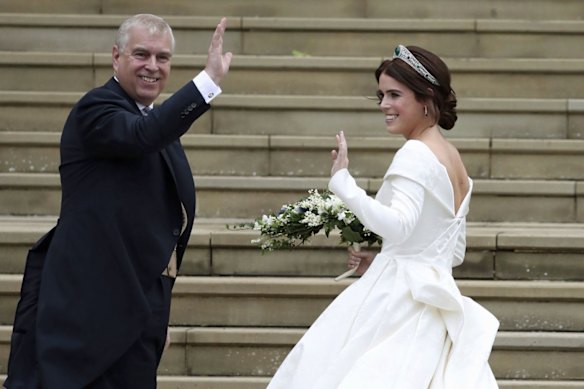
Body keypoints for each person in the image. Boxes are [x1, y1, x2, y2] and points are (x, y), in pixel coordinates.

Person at [4, 13, 232, 389]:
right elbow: (142, 136)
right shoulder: (97, 109)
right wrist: (206, 83)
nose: (153, 67)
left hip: (138, 309)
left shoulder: (157, 124)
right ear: (116, 57)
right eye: (141, 54)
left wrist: (157, 313)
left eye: (163, 58)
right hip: (86, 311)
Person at [267, 45, 499, 388]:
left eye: (394, 95)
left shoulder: (415, 153)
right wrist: (385, 260)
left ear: (426, 97)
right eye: (381, 95)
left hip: (398, 303)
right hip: (434, 299)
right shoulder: (453, 158)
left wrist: (343, 183)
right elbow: (454, 252)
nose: (384, 105)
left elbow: (399, 226)